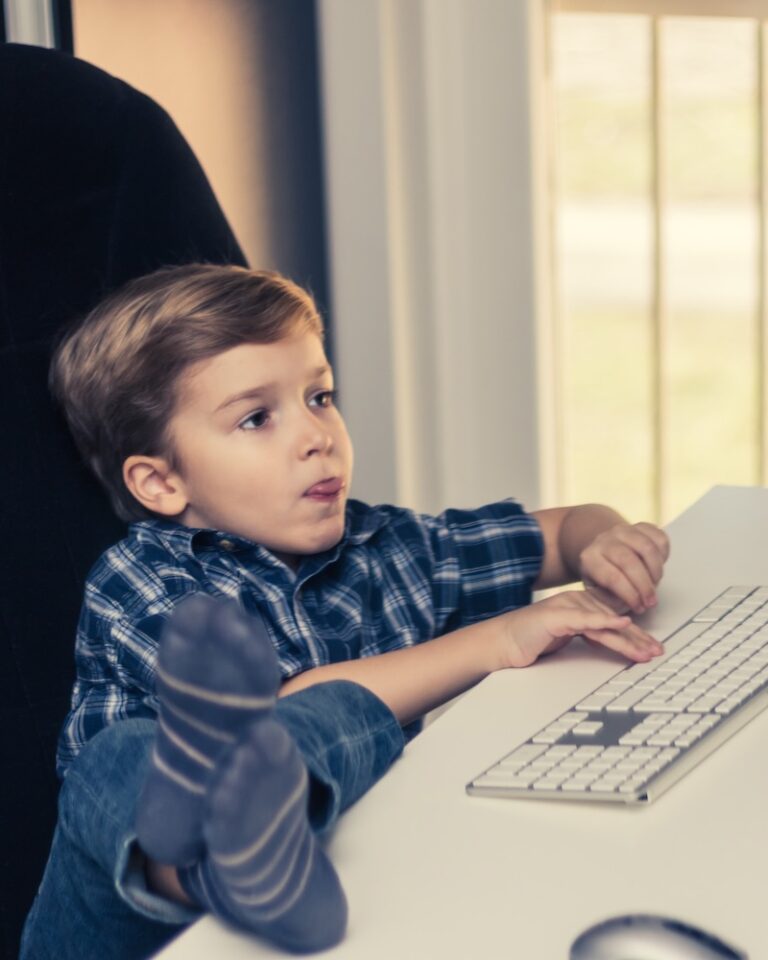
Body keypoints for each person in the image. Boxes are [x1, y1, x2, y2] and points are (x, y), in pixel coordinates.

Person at [21, 264, 669, 959]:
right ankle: (212, 863)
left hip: (345, 899)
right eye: (256, 418)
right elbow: (287, 714)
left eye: (320, 397)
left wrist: (604, 540)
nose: (316, 435)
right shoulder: (142, 580)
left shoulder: (381, 548)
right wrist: (496, 641)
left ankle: (253, 858)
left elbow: (558, 531)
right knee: (121, 760)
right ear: (161, 481)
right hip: (133, 938)